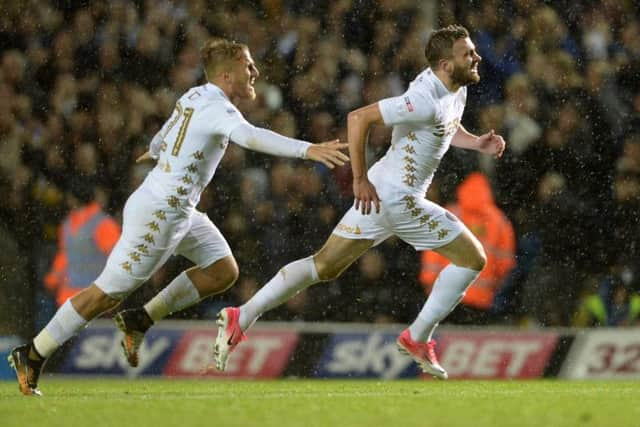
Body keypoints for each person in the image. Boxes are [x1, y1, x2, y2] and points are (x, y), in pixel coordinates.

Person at [8, 37, 348, 396]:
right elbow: (250, 137)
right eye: (248, 65)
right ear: (228, 73)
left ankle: (141, 318)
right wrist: (307, 149)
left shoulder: (194, 96)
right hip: (160, 214)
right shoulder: (219, 109)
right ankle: (32, 353)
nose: (255, 72)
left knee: (223, 270)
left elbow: (168, 129)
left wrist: (153, 150)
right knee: (105, 294)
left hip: (177, 209)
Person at [214, 25, 506, 379]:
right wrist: (358, 178)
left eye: (473, 51)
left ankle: (240, 316)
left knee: (324, 266)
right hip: (398, 199)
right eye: (468, 54)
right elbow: (359, 118)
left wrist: (475, 143)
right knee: (473, 258)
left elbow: (445, 125)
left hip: (385, 191)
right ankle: (418, 337)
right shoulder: (424, 97)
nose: (476, 58)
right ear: (445, 64)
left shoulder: (453, 90)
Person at [419, 172, 515, 323]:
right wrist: (494, 285)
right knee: (471, 341)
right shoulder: (500, 222)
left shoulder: (449, 214)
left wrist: (429, 282)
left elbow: (433, 252)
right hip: (482, 300)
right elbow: (505, 265)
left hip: (446, 296)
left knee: (444, 343)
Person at [44, 179, 121, 308]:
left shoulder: (102, 224)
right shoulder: (68, 224)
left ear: (72, 198)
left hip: (95, 300)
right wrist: (54, 278)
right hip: (72, 299)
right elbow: (65, 255)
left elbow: (117, 257)